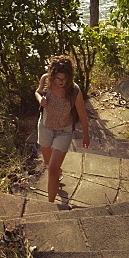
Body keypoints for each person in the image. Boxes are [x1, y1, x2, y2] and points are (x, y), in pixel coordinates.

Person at [35, 55, 90, 203]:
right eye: (58, 78)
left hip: (64, 131)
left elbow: (82, 114)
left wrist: (86, 135)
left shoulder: (74, 90)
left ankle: (50, 204)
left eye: (64, 79)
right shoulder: (45, 79)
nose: (61, 82)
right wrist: (41, 99)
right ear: (53, 75)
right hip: (45, 128)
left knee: (52, 170)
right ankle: (58, 172)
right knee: (49, 164)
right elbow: (38, 91)